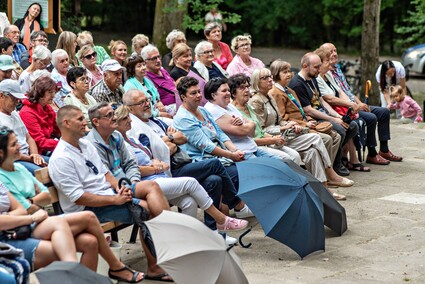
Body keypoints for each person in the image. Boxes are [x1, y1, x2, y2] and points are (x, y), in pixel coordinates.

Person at [49, 105, 172, 282]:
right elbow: (79, 197)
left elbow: (105, 174)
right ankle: (155, 265)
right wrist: (115, 199)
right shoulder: (61, 158)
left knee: (151, 186)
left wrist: (118, 188)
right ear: (66, 123)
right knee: (144, 209)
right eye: (80, 119)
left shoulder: (84, 144)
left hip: (108, 194)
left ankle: (172, 238)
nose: (85, 122)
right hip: (88, 208)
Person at [122, 89, 254, 232]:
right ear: (130, 108)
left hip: (181, 163)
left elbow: (182, 138)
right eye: (141, 102)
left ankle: (214, 231)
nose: (147, 104)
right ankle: (237, 204)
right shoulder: (134, 128)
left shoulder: (156, 121)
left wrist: (169, 140)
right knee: (215, 164)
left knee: (214, 180)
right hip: (168, 171)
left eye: (147, 99)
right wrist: (170, 140)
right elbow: (152, 154)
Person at [249, 68, 352, 195]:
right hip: (271, 139)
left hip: (284, 133)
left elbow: (280, 119)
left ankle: (322, 189)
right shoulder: (256, 101)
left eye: (270, 76)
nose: (270, 80)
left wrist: (289, 124)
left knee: (312, 152)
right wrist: (285, 127)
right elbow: (261, 129)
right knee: (317, 138)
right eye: (265, 78)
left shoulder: (269, 96)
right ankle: (330, 174)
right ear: (256, 82)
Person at [321, 42, 403, 165]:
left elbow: (348, 92)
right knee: (371, 117)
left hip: (352, 103)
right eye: (330, 52)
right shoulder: (324, 73)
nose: (334, 54)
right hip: (345, 108)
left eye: (335, 50)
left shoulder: (337, 68)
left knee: (384, 112)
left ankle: (384, 150)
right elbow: (332, 98)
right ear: (324, 57)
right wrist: (354, 106)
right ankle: (372, 153)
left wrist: (360, 104)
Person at [288, 52, 353, 176]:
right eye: (316, 67)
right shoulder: (297, 84)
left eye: (319, 66)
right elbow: (308, 110)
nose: (319, 69)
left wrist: (336, 116)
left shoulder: (313, 78)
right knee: (339, 130)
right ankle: (334, 166)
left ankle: (334, 162)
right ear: (305, 66)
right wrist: (333, 120)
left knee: (352, 125)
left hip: (322, 114)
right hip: (312, 118)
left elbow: (321, 100)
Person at [204, 77, 291, 162]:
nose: (228, 93)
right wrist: (248, 124)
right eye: (224, 91)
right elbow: (244, 131)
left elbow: (251, 132)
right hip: (241, 152)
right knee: (274, 167)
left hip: (252, 147)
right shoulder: (213, 110)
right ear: (213, 95)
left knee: (282, 162)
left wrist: (248, 123)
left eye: (228, 90)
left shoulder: (228, 105)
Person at [229, 73, 301, 164]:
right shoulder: (233, 112)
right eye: (242, 88)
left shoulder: (248, 106)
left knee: (295, 155)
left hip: (266, 142)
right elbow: (247, 140)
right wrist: (272, 140)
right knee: (286, 158)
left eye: (247, 87)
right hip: (253, 147)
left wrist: (274, 138)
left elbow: (261, 132)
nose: (247, 90)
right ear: (233, 93)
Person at [314, 48, 364, 171]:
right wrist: (337, 117)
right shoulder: (315, 79)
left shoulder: (328, 74)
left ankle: (343, 158)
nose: (330, 64)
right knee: (341, 129)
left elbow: (341, 91)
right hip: (323, 114)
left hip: (336, 110)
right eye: (327, 61)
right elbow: (326, 101)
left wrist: (352, 105)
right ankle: (337, 164)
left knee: (353, 125)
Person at [0, 79, 48, 174]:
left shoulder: (14, 113)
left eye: (17, 100)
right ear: (1, 96)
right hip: (15, 159)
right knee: (44, 173)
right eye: (13, 99)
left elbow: (29, 138)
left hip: (29, 155)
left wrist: (35, 154)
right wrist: (30, 158)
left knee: (57, 164)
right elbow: (7, 151)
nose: (17, 103)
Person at [19, 75, 60, 156]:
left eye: (54, 92)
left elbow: (58, 128)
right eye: (50, 92)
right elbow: (40, 142)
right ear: (40, 93)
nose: (53, 95)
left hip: (50, 145)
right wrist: (62, 144)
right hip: (39, 151)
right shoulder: (27, 112)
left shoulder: (46, 107)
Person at [141, 44, 177, 116]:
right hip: (166, 111)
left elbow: (173, 84)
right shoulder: (146, 78)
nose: (158, 60)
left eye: (158, 57)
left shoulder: (162, 70)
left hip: (178, 103)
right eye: (154, 58)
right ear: (145, 62)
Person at [170, 43, 207, 108]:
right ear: (176, 59)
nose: (190, 58)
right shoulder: (175, 73)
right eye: (185, 56)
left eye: (190, 55)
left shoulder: (192, 68)